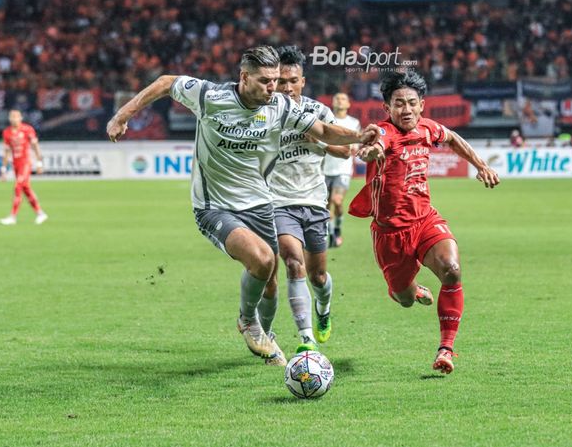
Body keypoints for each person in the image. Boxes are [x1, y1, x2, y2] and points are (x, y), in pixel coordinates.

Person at [106, 46, 379, 364]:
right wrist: (121, 115)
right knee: (263, 261)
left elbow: (322, 130)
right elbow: (166, 82)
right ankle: (247, 320)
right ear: (244, 77)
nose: (272, 87)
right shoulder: (210, 96)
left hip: (261, 204)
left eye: (275, 80)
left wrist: (359, 136)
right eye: (265, 80)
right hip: (215, 205)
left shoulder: (280, 106)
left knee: (271, 281)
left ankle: (267, 335)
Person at [350, 71, 500, 374]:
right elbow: (377, 145)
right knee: (404, 299)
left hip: (425, 221)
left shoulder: (428, 129)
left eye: (411, 103)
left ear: (422, 106)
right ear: (387, 109)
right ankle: (411, 289)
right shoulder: (385, 131)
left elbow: (454, 139)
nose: (405, 110)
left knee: (452, 271)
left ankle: (446, 349)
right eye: (398, 104)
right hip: (391, 234)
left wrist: (481, 165)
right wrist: (368, 151)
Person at [264, 46, 351, 362]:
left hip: (314, 203)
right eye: (281, 81)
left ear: (303, 81)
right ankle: (306, 339)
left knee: (318, 278)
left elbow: (343, 151)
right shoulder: (265, 113)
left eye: (293, 81)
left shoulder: (319, 112)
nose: (287, 87)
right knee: (291, 260)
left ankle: (324, 308)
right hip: (278, 202)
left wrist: (321, 141)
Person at [323, 93, 361, 248]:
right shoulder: (326, 120)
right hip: (323, 169)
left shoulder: (353, 123)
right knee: (324, 207)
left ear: (348, 104)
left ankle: (337, 229)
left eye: (343, 98)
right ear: (332, 102)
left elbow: (354, 146)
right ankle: (330, 233)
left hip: (342, 170)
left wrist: (339, 145)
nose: (339, 100)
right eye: (337, 98)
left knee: (337, 201)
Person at [0, 109, 48, 225]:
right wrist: (3, 168)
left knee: (17, 187)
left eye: (16, 116)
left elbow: (35, 146)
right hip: (16, 164)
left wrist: (39, 163)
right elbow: (6, 152)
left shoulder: (27, 129)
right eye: (11, 117)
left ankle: (13, 216)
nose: (14, 119)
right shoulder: (7, 132)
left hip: (25, 163)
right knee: (26, 189)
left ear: (21, 118)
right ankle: (40, 213)